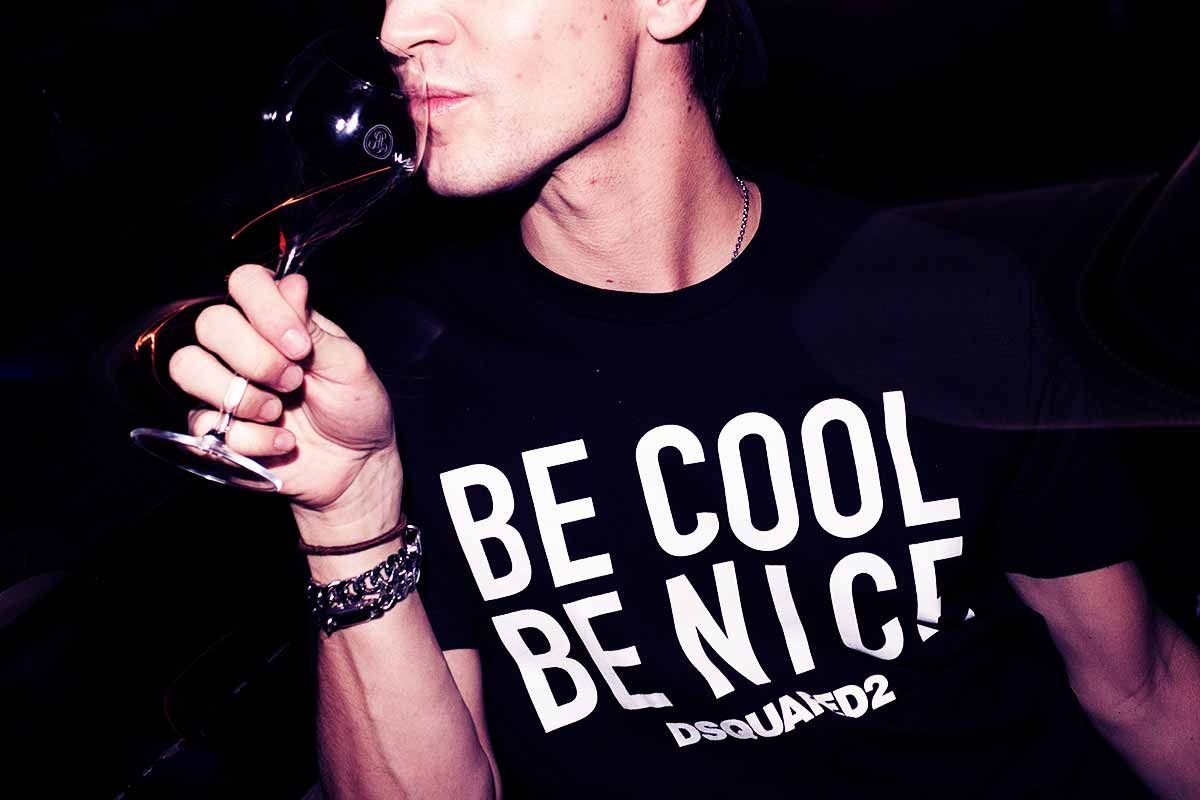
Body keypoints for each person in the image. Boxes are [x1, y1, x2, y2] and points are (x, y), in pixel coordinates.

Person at [165, 1, 1200, 798]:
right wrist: (347, 517)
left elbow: (1141, 681)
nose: (400, 28)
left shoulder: (940, 298)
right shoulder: (400, 379)